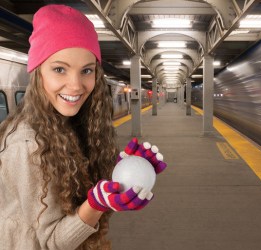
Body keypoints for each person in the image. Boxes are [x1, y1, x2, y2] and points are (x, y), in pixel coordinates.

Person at [0, 4, 166, 250]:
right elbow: (53, 243)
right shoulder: (27, 145)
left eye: (86, 70)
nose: (76, 85)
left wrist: (120, 177)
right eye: (59, 69)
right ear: (38, 73)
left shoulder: (66, 126)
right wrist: (98, 202)